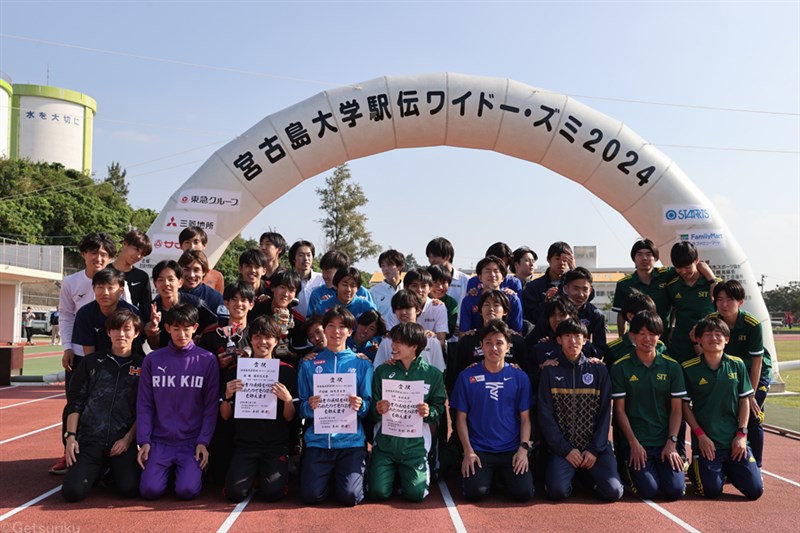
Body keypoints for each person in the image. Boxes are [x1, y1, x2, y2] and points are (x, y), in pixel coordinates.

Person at [136, 304, 219, 500]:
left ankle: (187, 472)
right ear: (167, 329)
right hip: (159, 441)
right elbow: (145, 403)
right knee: (149, 491)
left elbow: (210, 407)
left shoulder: (207, 360)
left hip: (190, 442)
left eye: (186, 328)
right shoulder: (153, 360)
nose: (181, 334)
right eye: (176, 328)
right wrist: (144, 440)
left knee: (187, 491)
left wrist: (203, 442)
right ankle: (168, 471)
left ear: (195, 327)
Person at [61, 309, 144, 502]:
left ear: (136, 332)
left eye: (126, 329)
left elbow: (145, 408)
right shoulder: (92, 362)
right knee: (72, 493)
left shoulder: (144, 365)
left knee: (130, 489)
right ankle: (97, 470)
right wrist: (71, 438)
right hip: (90, 441)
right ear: (108, 333)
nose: (120, 334)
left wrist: (127, 440)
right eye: (115, 329)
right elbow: (76, 402)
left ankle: (108, 472)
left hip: (121, 443)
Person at [538, 319, 623, 501]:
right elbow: (545, 415)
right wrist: (566, 450)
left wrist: (594, 449)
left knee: (613, 492)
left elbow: (605, 413)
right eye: (567, 336)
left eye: (577, 336)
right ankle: (575, 474)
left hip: (595, 449)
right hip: (563, 450)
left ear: (585, 340)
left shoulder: (598, 370)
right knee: (557, 492)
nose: (573, 341)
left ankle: (586, 478)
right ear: (559, 340)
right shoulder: (549, 371)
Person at [52, 232, 116, 475]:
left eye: (104, 254)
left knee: (109, 402)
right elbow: (66, 315)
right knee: (75, 402)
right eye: (93, 252)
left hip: (110, 354)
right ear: (83, 254)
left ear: (110, 258)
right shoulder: (71, 282)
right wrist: (68, 346)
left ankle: (105, 455)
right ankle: (67, 451)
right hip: (80, 353)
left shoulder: (119, 282)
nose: (98, 258)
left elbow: (125, 316)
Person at [451, 319, 535, 502]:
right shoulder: (467, 376)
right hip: (480, 450)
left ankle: (500, 477)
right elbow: (460, 419)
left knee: (524, 494)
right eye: (488, 343)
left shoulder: (520, 377)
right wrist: (468, 451)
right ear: (481, 346)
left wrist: (523, 449)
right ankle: (491, 477)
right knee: (475, 493)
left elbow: (526, 418)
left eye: (499, 343)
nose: (493, 348)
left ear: (508, 346)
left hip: (511, 450)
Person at [297, 307, 373, 506]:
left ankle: (342, 478)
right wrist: (309, 406)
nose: (336, 331)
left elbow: (368, 407)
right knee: (310, 496)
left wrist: (360, 405)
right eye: (331, 326)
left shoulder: (362, 364)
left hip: (351, 442)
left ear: (350, 331)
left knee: (350, 497)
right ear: (324, 329)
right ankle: (328, 479)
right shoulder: (309, 364)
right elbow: (301, 407)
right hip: (318, 441)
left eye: (342, 327)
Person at [682, 317, 763, 500]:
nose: (714, 338)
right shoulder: (688, 368)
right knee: (711, 492)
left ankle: (728, 468)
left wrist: (742, 434)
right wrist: (700, 435)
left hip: (735, 441)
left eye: (718, 334)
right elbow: (685, 406)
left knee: (755, 491)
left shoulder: (738, 364)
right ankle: (698, 471)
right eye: (708, 334)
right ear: (699, 340)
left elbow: (744, 401)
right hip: (707, 443)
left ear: (727, 339)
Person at [220, 315, 298, 502]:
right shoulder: (235, 370)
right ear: (251, 339)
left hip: (275, 445)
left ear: (276, 340)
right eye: (257, 337)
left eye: (268, 337)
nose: (262, 342)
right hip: (245, 445)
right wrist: (227, 397)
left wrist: (287, 401)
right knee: (235, 494)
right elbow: (224, 416)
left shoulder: (287, 370)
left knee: (272, 494)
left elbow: (290, 418)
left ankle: (269, 473)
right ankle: (253, 474)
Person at [611, 312, 686, 500]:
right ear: (633, 335)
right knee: (648, 491)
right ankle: (629, 470)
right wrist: (633, 443)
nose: (647, 339)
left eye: (652, 333)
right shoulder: (621, 367)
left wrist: (672, 442)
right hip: (637, 442)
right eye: (642, 333)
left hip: (664, 442)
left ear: (659, 335)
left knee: (675, 492)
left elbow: (677, 409)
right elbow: (619, 410)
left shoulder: (673, 367)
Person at [369, 322, 446, 502]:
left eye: (399, 342)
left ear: (414, 346)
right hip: (385, 444)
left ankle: (404, 476)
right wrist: (378, 409)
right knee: (378, 493)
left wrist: (429, 412)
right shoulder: (383, 371)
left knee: (415, 495)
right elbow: (372, 410)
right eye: (393, 341)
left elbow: (439, 408)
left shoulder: (432, 374)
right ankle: (390, 475)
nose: (393, 346)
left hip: (415, 446)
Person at [708, 280, 772, 468]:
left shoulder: (752, 324)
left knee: (752, 416)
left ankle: (756, 466)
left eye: (729, 300)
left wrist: (750, 393)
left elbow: (757, 362)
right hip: (730, 374)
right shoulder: (712, 321)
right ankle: (728, 463)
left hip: (756, 373)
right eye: (719, 300)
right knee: (725, 415)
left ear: (740, 302)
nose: (724, 304)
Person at [612, 238, 715, 337]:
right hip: (640, 337)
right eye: (639, 254)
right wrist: (622, 338)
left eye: (649, 254)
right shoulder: (623, 284)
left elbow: (697, 265)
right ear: (633, 258)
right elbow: (621, 315)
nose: (644, 258)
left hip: (665, 336)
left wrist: (713, 282)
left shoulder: (666, 274)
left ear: (656, 258)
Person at [142, 260, 218, 350]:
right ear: (155, 284)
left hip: (192, 355)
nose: (166, 284)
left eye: (171, 279)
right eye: (161, 280)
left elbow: (214, 322)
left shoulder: (195, 303)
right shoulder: (150, 309)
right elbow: (154, 346)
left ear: (180, 283)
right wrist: (153, 330)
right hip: (165, 358)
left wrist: (200, 336)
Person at [72, 268, 142, 357]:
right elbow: (89, 353)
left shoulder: (133, 313)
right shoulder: (84, 314)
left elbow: (136, 347)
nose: (105, 293)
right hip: (98, 362)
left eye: (110, 288)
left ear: (121, 291)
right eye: (100, 287)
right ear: (93, 289)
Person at [667, 241, 718, 363]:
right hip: (681, 345)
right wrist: (672, 330)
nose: (683, 271)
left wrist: (713, 282)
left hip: (708, 342)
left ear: (696, 261)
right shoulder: (672, 285)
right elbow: (673, 310)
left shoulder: (714, 286)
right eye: (679, 268)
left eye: (687, 267)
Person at [373, 290, 446, 372]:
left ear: (418, 310)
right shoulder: (387, 342)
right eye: (399, 308)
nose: (403, 312)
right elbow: (378, 371)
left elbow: (439, 373)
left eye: (408, 308)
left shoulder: (432, 341)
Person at [459, 256, 523, 334]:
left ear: (503, 277)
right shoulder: (469, 299)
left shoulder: (512, 299)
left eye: (496, 271)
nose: (492, 275)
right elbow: (463, 333)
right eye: (487, 271)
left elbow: (518, 333)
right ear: (480, 277)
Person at [387, 268, 449, 344]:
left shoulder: (439, 307)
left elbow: (441, 342)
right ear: (405, 287)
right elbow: (391, 338)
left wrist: (434, 338)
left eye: (423, 286)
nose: (419, 290)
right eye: (414, 286)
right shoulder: (397, 308)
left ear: (430, 288)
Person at [521, 241, 575, 325]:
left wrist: (574, 271)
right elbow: (530, 317)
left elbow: (588, 295)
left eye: (565, 260)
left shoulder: (572, 283)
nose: (562, 263)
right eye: (557, 259)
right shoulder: (534, 286)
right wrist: (546, 303)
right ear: (548, 259)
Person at [306, 250, 374, 316]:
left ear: (341, 271)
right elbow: (311, 322)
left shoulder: (363, 293)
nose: (324, 276)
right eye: (323, 271)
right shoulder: (318, 294)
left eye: (328, 272)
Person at [605, 290, 662, 366]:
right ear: (630, 316)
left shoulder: (660, 346)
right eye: (644, 315)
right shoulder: (614, 349)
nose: (649, 319)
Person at [560, 267, 607, 358]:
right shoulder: (556, 311)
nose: (581, 294)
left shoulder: (596, 314)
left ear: (590, 290)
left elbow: (600, 349)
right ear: (566, 289)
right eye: (576, 289)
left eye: (585, 289)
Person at [426, 237, 470, 322]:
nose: (431, 260)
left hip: (458, 331)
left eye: (435, 256)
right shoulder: (426, 279)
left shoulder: (465, 280)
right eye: (429, 256)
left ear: (447, 256)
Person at [112, 229, 153, 316]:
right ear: (124, 244)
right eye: (136, 249)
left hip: (130, 326)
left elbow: (145, 308)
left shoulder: (142, 277)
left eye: (142, 254)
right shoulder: (104, 272)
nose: (138, 256)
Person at [178, 249, 229, 320]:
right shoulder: (170, 295)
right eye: (187, 269)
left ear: (204, 272)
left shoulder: (215, 298)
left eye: (196, 270)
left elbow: (223, 323)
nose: (191, 275)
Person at [179, 226, 224, 293]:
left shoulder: (216, 276)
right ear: (181, 246)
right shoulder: (172, 272)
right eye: (187, 242)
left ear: (204, 245)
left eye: (196, 242)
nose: (192, 246)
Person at [289, 240, 325, 317]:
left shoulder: (322, 279)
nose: (306, 259)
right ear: (293, 258)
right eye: (301, 255)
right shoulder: (288, 280)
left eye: (309, 255)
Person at [370, 249, 405, 323]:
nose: (385, 269)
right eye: (383, 265)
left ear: (400, 266)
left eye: (389, 265)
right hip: (383, 333)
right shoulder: (373, 292)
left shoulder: (408, 289)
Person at [428, 264, 458, 340]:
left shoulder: (451, 303)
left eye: (444, 282)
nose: (440, 287)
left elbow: (450, 332)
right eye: (435, 282)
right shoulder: (417, 300)